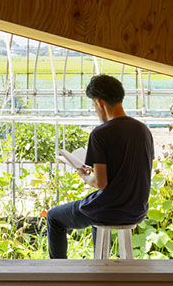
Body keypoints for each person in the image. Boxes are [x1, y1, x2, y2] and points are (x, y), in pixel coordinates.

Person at [46, 74, 154, 259]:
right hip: (137, 209)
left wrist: (84, 175)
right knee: (98, 207)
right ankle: (101, 266)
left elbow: (101, 183)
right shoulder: (143, 130)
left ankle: (58, 272)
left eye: (94, 106)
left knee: (54, 217)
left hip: (111, 210)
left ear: (100, 103)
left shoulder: (100, 134)